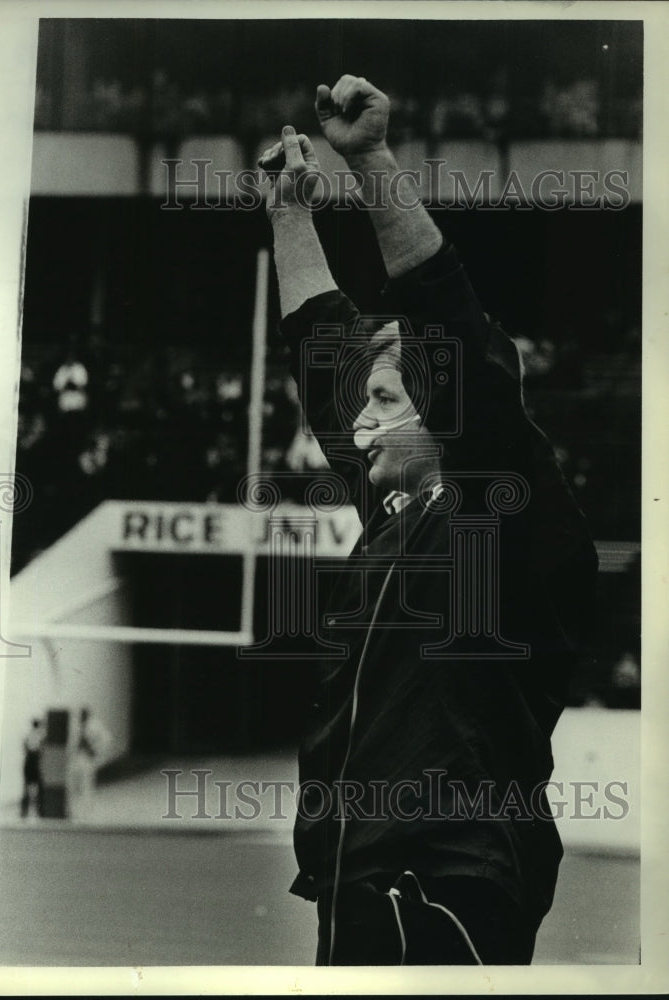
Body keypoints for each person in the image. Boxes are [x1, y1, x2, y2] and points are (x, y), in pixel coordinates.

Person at [258, 76, 598, 965]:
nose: (356, 422)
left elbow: (456, 332)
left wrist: (367, 160)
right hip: (358, 872)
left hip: (451, 878)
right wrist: (291, 211)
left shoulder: (498, 515)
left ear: (442, 411)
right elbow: (318, 346)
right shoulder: (398, 509)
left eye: (382, 401)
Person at [70, 705, 112, 818]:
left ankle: (87, 812)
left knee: (87, 785)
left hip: (88, 758)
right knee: (74, 785)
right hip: (77, 758)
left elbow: (107, 739)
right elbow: (73, 743)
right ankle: (75, 811)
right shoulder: (77, 726)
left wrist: (96, 751)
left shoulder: (95, 726)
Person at [20, 717, 44, 819]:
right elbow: (39, 750)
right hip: (34, 762)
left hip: (28, 761)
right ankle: (40, 812)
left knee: (26, 787)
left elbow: (25, 746)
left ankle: (24, 812)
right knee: (39, 787)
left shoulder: (28, 735)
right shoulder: (39, 736)